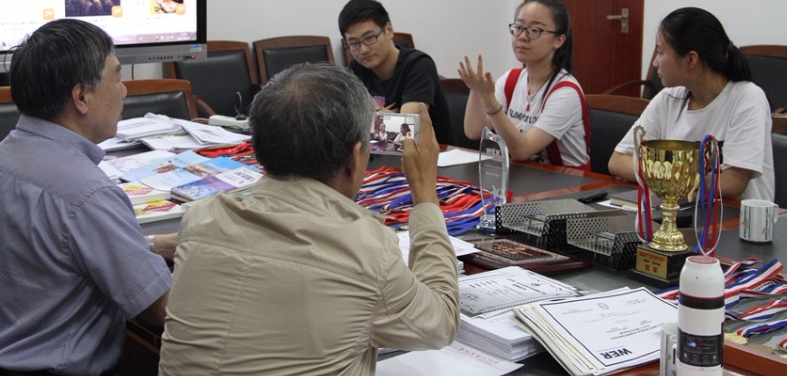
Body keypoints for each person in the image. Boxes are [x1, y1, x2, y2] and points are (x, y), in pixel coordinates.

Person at [159, 62, 459, 375]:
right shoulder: (365, 251)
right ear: (356, 158)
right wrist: (425, 195)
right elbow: (440, 321)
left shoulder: (200, 219)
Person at [0, 19, 174, 375]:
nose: (124, 91)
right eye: (117, 77)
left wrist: (152, 244)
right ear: (82, 97)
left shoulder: (7, 157)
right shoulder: (88, 194)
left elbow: (46, 252)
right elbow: (160, 309)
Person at [609, 7, 774, 201]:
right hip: (679, 212)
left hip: (733, 221)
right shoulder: (668, 98)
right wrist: (679, 179)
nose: (655, 63)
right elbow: (618, 160)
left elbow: (733, 183)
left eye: (661, 53)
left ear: (690, 59)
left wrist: (663, 175)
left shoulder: (747, 98)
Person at [458, 0, 590, 167]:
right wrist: (477, 91)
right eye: (518, 27)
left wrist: (489, 100)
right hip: (524, 176)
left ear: (559, 40)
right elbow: (473, 131)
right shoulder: (511, 80)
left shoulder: (565, 92)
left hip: (568, 182)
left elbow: (522, 151)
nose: (522, 36)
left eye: (535, 30)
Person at [339, 0, 453, 145]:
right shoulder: (356, 68)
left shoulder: (419, 65)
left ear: (389, 30)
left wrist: (368, 116)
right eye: (354, 43)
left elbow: (405, 134)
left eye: (370, 38)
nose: (364, 49)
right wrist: (384, 117)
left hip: (431, 159)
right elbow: (344, 126)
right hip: (381, 158)